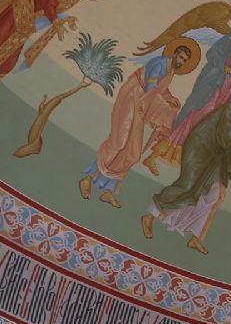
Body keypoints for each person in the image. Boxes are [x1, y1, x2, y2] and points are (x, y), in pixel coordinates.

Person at [141, 82, 231, 254]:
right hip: (200, 149)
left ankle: (195, 237)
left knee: (214, 194)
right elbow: (225, 138)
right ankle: (150, 214)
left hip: (215, 159)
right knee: (187, 186)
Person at [144, 8, 231, 171]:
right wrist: (223, 66)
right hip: (213, 82)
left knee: (208, 121)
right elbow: (212, 54)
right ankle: (158, 154)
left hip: (228, 88)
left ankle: (184, 155)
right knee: (195, 114)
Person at [82, 40, 197, 207]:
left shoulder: (170, 71)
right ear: (174, 53)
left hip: (142, 103)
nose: (181, 62)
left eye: (184, 60)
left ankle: (108, 190)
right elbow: (151, 88)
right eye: (181, 57)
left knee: (133, 151)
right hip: (132, 96)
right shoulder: (159, 64)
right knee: (119, 141)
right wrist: (164, 105)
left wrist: (171, 100)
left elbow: (160, 90)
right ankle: (88, 178)